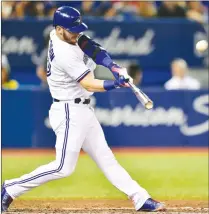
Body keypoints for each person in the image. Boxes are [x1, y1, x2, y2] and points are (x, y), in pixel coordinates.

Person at [1, 6, 165, 212]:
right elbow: (89, 83)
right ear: (59, 29)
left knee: (107, 159)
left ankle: (140, 198)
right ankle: (10, 188)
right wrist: (116, 83)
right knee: (63, 167)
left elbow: (93, 48)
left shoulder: (64, 35)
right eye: (72, 30)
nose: (77, 34)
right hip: (69, 111)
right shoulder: (63, 53)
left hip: (83, 110)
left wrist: (113, 67)